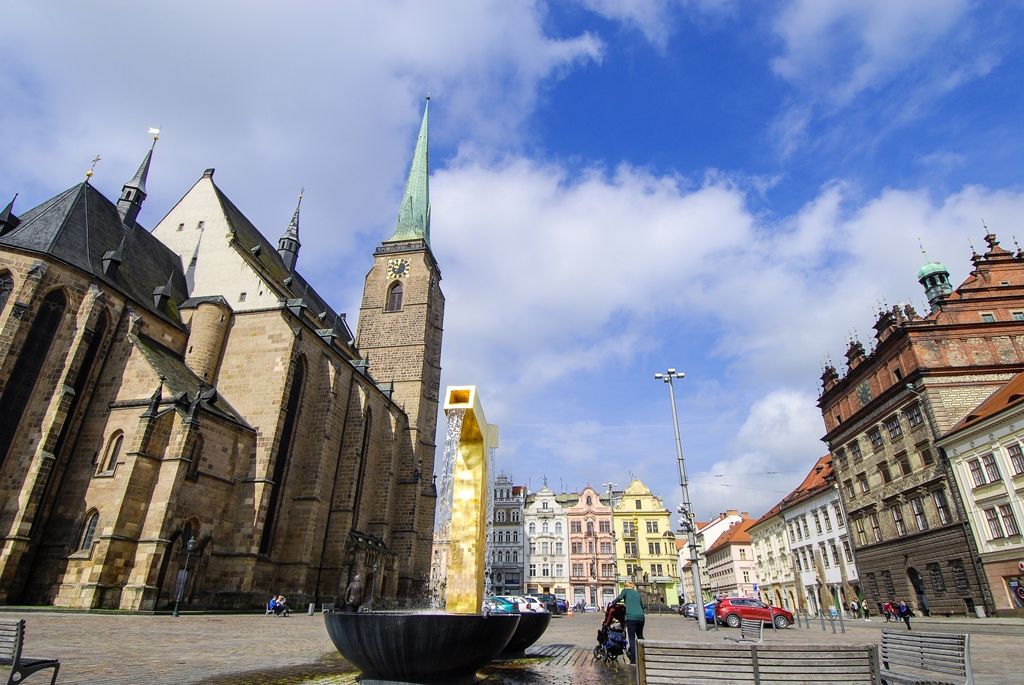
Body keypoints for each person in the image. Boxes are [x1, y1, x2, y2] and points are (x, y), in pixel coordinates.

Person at [611, 581, 645, 665]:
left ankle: (634, 660)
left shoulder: (625, 591)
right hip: (641, 617)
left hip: (631, 618)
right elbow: (642, 605)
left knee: (632, 639)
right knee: (640, 636)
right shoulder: (637, 593)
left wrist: (613, 602)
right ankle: (644, 654)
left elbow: (619, 598)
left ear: (626, 586)